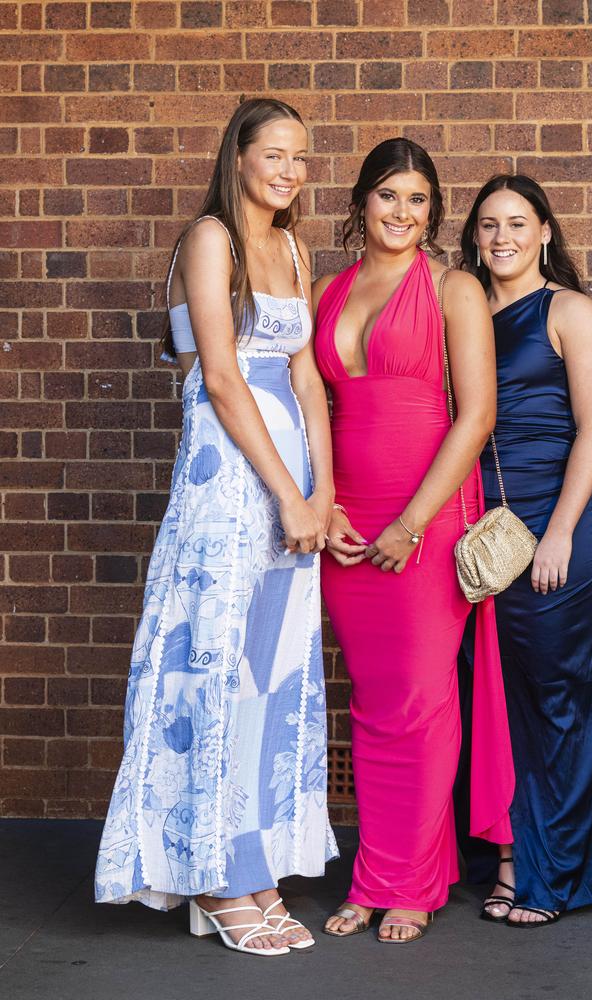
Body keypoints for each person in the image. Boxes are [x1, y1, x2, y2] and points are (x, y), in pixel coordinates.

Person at [95, 98, 338, 956]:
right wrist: (285, 494)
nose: (288, 170)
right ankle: (212, 873)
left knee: (272, 672)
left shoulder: (296, 247)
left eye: (301, 158)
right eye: (274, 153)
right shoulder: (212, 240)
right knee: (217, 661)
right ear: (238, 156)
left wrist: (323, 493)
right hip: (231, 480)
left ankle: (254, 863)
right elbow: (227, 383)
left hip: (292, 483)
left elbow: (308, 382)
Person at [312, 138, 514, 943]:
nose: (404, 213)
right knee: (372, 700)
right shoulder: (329, 288)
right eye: (389, 196)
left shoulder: (453, 287)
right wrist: (325, 506)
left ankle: (403, 882)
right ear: (361, 201)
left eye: (419, 200)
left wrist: (410, 523)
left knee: (423, 702)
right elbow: (310, 411)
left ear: (434, 210)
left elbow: (477, 416)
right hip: (348, 522)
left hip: (423, 516)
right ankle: (384, 866)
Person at [461, 174, 592, 926]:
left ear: (545, 232)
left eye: (518, 223)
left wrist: (559, 530)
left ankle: (557, 877)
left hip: (553, 528)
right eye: (489, 224)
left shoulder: (569, 311)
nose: (502, 237)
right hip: (479, 536)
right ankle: (512, 859)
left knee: (560, 700)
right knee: (496, 701)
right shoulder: (460, 310)